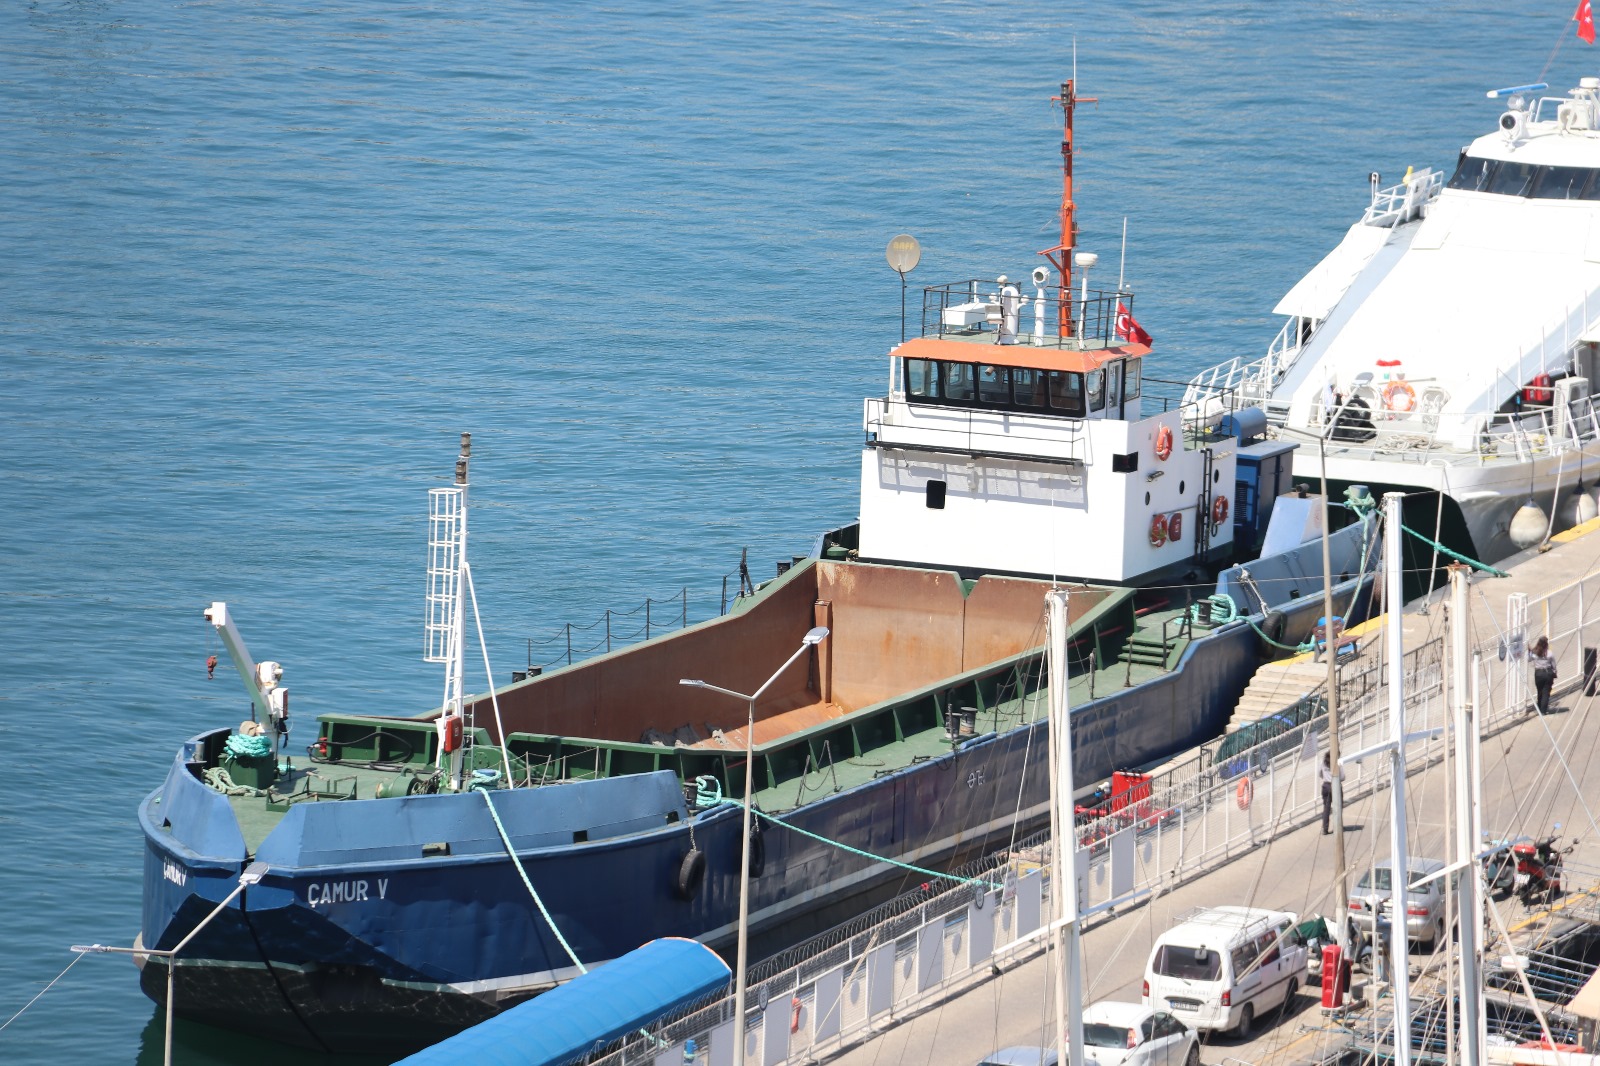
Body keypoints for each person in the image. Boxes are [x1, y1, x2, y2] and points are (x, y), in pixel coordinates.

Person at [1530, 636, 1557, 714]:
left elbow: (1529, 659)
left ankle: (1539, 707)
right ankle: (1543, 710)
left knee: (1540, 691)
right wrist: (1554, 672)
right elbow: (1554, 665)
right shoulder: (1549, 653)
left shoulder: (1535, 652)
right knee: (1546, 692)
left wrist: (1530, 651)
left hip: (1538, 674)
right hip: (1547, 673)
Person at [1319, 754, 1334, 834]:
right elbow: (1342, 776)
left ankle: (1325, 828)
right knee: (1338, 806)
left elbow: (1320, 773)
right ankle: (1337, 825)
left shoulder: (1323, 763)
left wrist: (1325, 777)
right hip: (1333, 785)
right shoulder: (1336, 763)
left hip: (1325, 785)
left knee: (1326, 808)